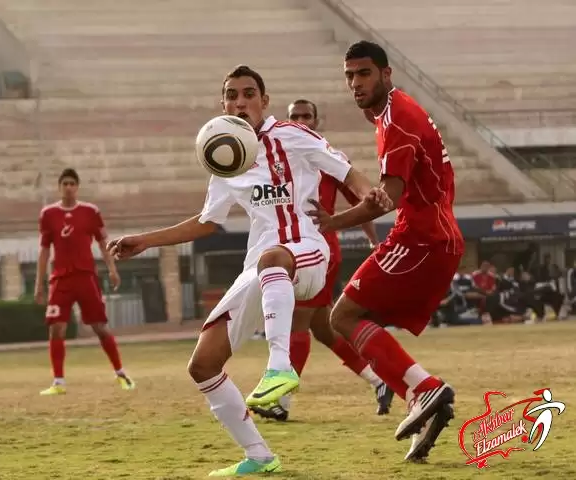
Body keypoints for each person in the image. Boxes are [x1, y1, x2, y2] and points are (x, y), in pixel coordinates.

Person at [107, 65, 390, 477]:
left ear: (264, 100)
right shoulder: (225, 154)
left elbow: (349, 174)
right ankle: (259, 455)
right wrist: (146, 240)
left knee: (273, 258)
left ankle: (279, 368)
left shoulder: (294, 135)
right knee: (203, 364)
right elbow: (207, 222)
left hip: (307, 251)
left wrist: (372, 194)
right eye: (231, 95)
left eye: (248, 93)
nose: (239, 102)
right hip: (262, 267)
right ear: (222, 103)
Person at [307, 41, 463, 462]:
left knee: (342, 316)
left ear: (386, 74)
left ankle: (423, 389)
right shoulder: (395, 111)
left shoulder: (397, 120)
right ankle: (420, 399)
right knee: (359, 320)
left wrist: (331, 222)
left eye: (364, 74)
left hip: (420, 239)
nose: (355, 83)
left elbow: (388, 198)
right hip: (434, 237)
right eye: (349, 75)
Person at [250, 99, 393, 423]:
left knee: (298, 322)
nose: (301, 120)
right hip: (288, 246)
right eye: (295, 116)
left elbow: (361, 198)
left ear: (316, 120)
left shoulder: (324, 156)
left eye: (307, 116)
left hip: (317, 250)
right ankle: (380, 379)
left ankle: (280, 401)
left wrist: (372, 240)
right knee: (323, 329)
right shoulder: (276, 156)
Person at [34, 168, 135, 395]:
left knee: (100, 327)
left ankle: (120, 373)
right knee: (56, 329)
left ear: (77, 187)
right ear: (59, 187)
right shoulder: (48, 214)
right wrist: (38, 285)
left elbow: (102, 242)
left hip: (85, 277)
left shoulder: (90, 211)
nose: (69, 187)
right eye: (65, 183)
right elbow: (43, 251)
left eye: (72, 183)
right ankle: (58, 382)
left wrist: (112, 269)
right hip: (60, 279)